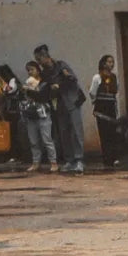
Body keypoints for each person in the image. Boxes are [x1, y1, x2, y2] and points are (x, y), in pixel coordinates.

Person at [35, 45, 86, 175]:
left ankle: (79, 160)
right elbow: (45, 88)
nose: (39, 63)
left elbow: (72, 79)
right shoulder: (45, 73)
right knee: (64, 132)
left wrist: (59, 85)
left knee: (76, 130)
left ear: (45, 57)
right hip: (58, 104)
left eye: (39, 59)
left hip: (72, 101)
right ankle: (70, 160)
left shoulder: (61, 65)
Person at [19, 60, 57, 172]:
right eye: (28, 70)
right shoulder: (27, 83)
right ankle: (35, 162)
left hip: (43, 113)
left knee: (47, 139)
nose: (30, 72)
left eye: (32, 69)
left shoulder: (45, 83)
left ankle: (53, 162)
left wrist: (30, 91)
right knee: (33, 140)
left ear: (38, 70)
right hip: (31, 114)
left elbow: (42, 96)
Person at [89, 54, 120, 170]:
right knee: (104, 134)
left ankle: (113, 158)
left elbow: (116, 90)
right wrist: (96, 103)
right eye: (108, 62)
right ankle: (106, 159)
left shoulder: (114, 77)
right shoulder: (97, 77)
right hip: (102, 109)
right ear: (103, 63)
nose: (111, 64)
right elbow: (92, 92)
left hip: (111, 108)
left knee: (112, 134)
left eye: (112, 62)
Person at [0, 63, 21, 167]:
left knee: (13, 133)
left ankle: (14, 154)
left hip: (12, 111)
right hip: (7, 110)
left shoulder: (12, 81)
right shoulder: (7, 82)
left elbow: (9, 90)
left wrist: (1, 82)